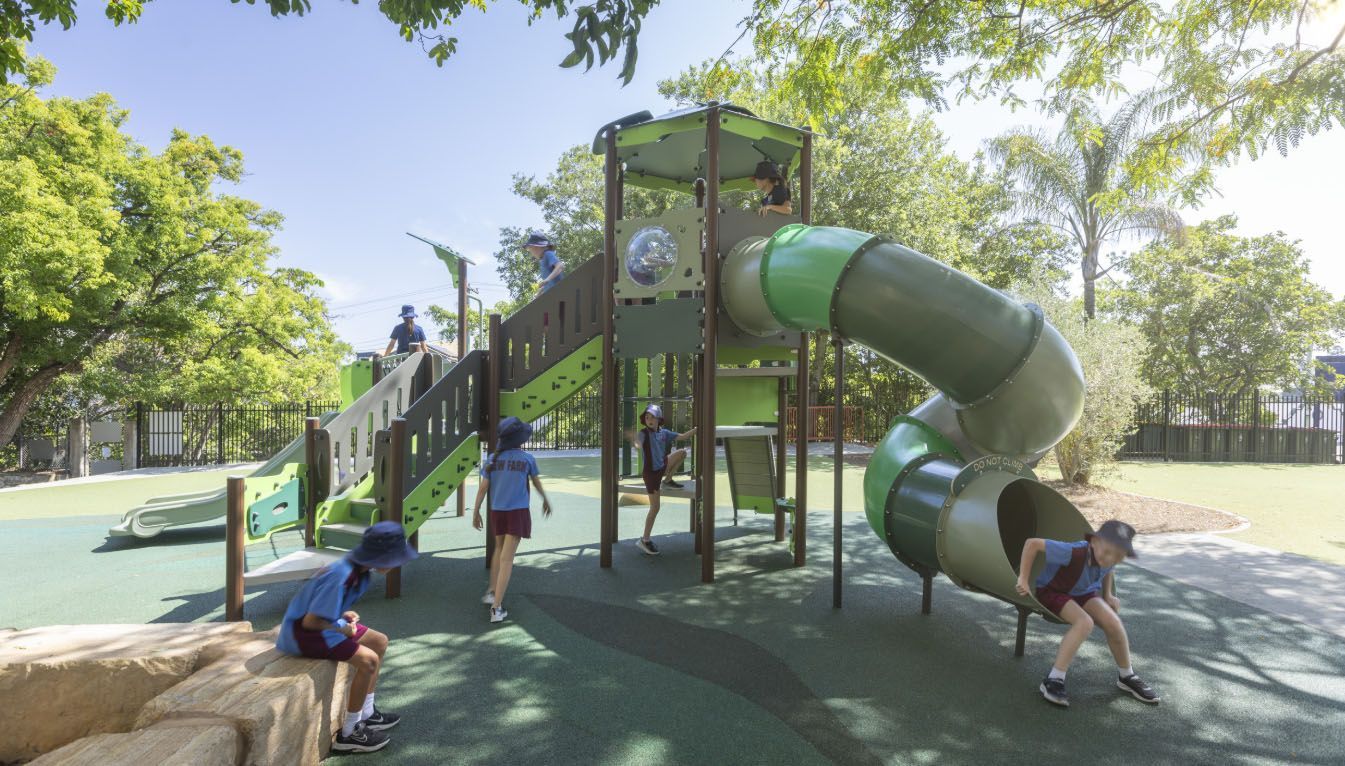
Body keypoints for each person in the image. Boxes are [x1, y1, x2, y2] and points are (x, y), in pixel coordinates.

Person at [275, 521, 417, 753]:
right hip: (302, 635)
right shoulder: (342, 574)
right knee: (369, 660)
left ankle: (368, 713)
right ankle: (350, 733)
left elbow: (322, 603)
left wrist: (341, 613)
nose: (399, 562)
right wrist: (343, 627)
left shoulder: (359, 571)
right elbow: (310, 622)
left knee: (379, 641)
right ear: (381, 557)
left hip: (323, 625)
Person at [1015, 519, 1160, 708]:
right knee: (1085, 622)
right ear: (1093, 542)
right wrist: (1023, 578)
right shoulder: (1073, 551)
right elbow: (1031, 544)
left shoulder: (1109, 558)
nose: (1110, 559)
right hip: (1054, 591)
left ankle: (1126, 675)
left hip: (1083, 593)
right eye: (1107, 552)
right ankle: (1054, 679)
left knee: (1113, 621)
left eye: (1117, 556)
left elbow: (1109, 568)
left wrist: (1108, 595)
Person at [473, 416, 553, 624]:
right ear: (520, 439)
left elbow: (483, 488)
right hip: (517, 512)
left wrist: (476, 511)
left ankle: (492, 591)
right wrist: (545, 500)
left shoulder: (492, 459)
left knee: (499, 550)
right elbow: (536, 484)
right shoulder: (527, 459)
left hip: (497, 512)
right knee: (507, 559)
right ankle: (496, 607)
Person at [631, 404, 695, 556]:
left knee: (682, 453)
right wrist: (636, 442)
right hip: (651, 474)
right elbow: (638, 443)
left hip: (662, 467)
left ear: (659, 419)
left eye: (652, 417)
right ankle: (645, 540)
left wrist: (698, 429)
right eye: (647, 417)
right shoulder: (644, 433)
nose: (649, 420)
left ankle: (668, 480)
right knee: (655, 508)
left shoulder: (664, 433)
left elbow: (683, 436)